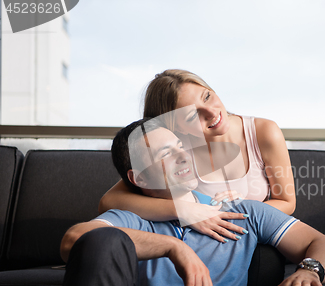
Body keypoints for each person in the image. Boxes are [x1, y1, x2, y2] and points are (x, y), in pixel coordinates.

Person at [60, 118, 325, 286]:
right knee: (104, 240)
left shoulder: (242, 210)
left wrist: (310, 270)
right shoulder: (133, 219)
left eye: (180, 147)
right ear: (140, 179)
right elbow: (74, 239)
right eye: (165, 154)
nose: (183, 156)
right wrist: (173, 247)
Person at [99, 69, 296, 243]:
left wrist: (240, 209)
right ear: (175, 127)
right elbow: (109, 201)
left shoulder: (264, 132)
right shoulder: (175, 149)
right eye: (192, 116)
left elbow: (287, 202)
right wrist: (186, 212)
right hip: (195, 243)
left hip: (252, 238)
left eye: (207, 96)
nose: (212, 112)